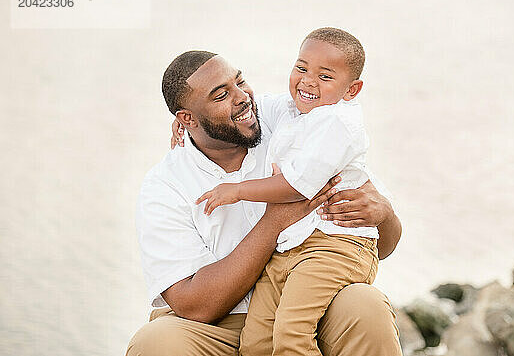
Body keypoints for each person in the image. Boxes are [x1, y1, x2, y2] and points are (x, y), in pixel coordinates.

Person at [126, 48, 403, 355]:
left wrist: (384, 214)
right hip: (212, 327)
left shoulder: (290, 119)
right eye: (221, 95)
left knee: (365, 305)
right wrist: (274, 222)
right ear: (186, 119)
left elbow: (383, 244)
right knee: (156, 342)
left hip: (303, 302)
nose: (242, 97)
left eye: (240, 81)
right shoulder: (164, 185)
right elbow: (194, 305)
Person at [195, 28, 384, 356]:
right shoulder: (296, 111)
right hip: (289, 247)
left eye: (325, 76)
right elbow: (243, 108)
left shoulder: (338, 123)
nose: (309, 81)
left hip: (333, 245)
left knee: (291, 334)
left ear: (352, 90)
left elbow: (298, 187)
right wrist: (190, 120)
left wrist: (238, 190)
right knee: (255, 344)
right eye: (302, 68)